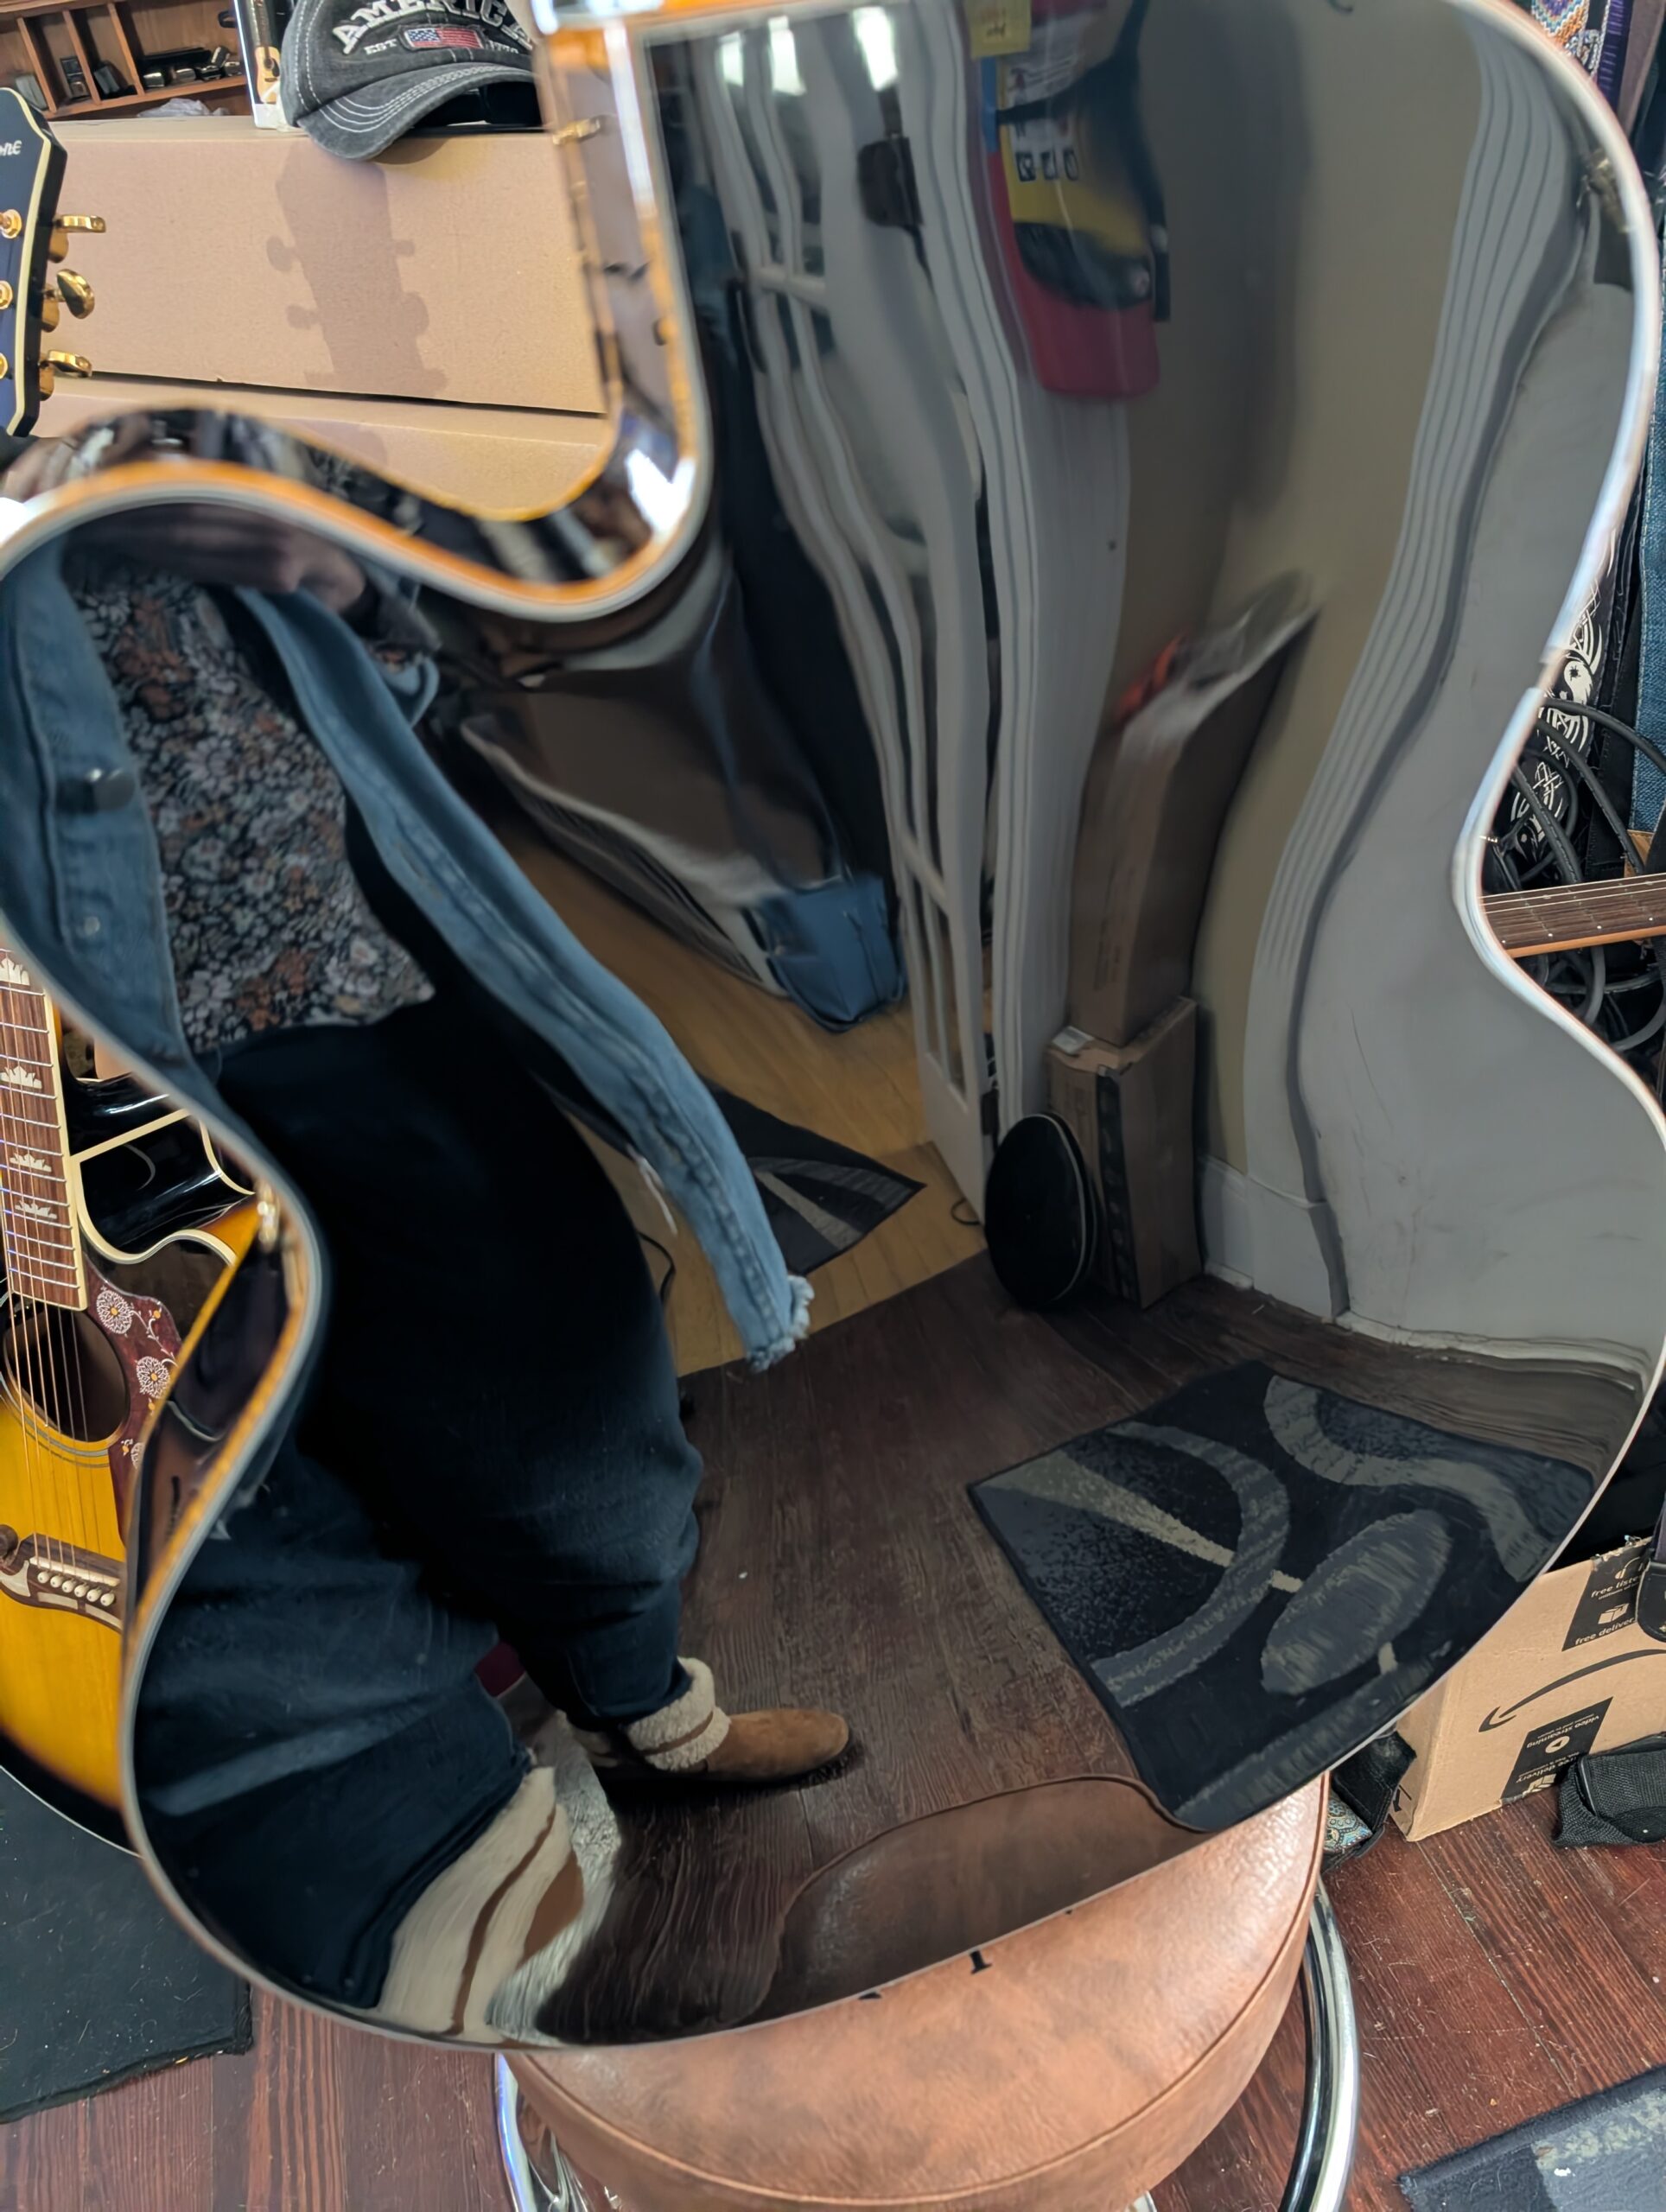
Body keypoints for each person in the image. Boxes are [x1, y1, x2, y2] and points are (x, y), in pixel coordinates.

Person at [0, 434, 849, 2031]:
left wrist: (327, 560)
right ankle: (412, 1823)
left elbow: (381, 634)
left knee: (565, 1357)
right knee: (193, 1494)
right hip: (53, 1081)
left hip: (322, 958)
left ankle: (631, 1702)